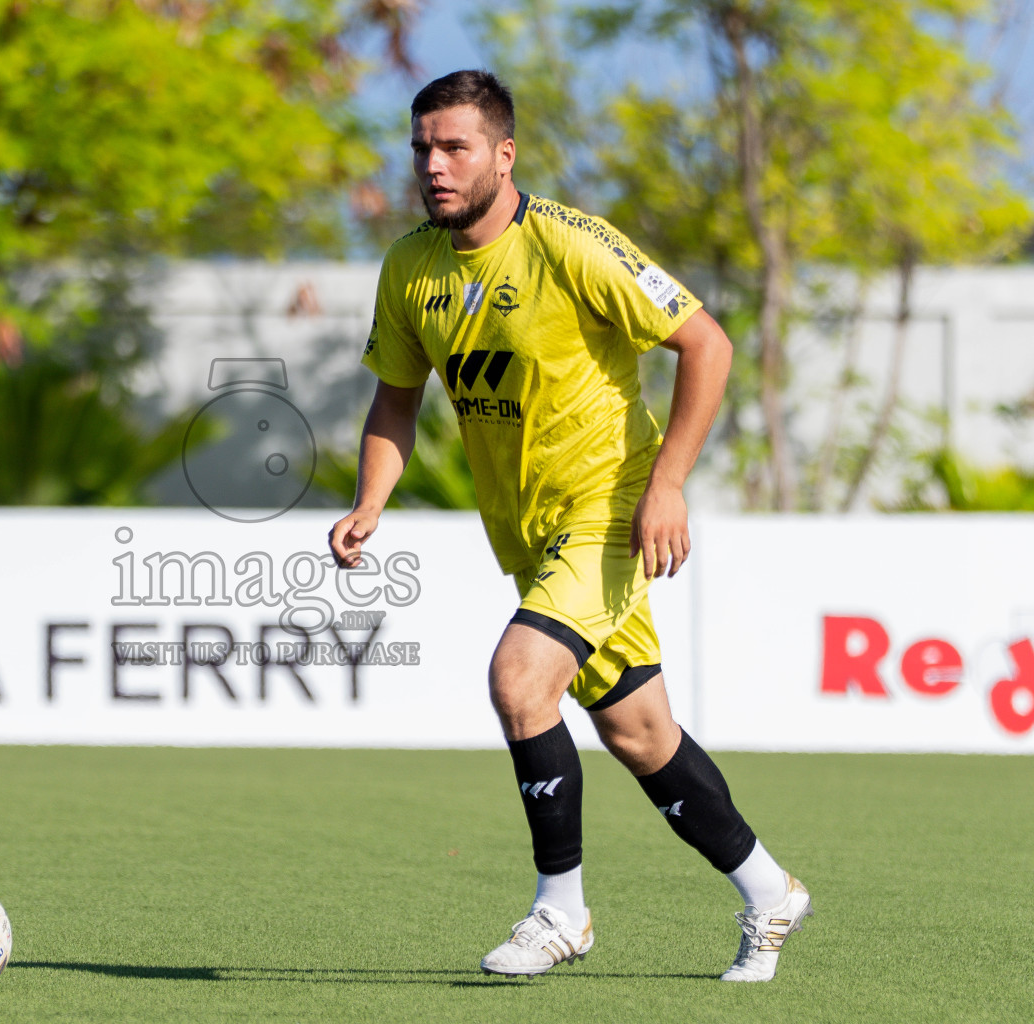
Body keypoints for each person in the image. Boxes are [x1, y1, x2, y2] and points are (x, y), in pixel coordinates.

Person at [328, 70, 811, 982]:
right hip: (526, 533)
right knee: (640, 735)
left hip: (610, 512)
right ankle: (769, 889)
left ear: (503, 156)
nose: (434, 165)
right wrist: (369, 502)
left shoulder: (568, 242)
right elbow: (397, 399)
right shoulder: (410, 267)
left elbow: (708, 343)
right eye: (422, 148)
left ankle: (562, 912)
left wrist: (667, 485)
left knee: (519, 681)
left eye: (455, 146)